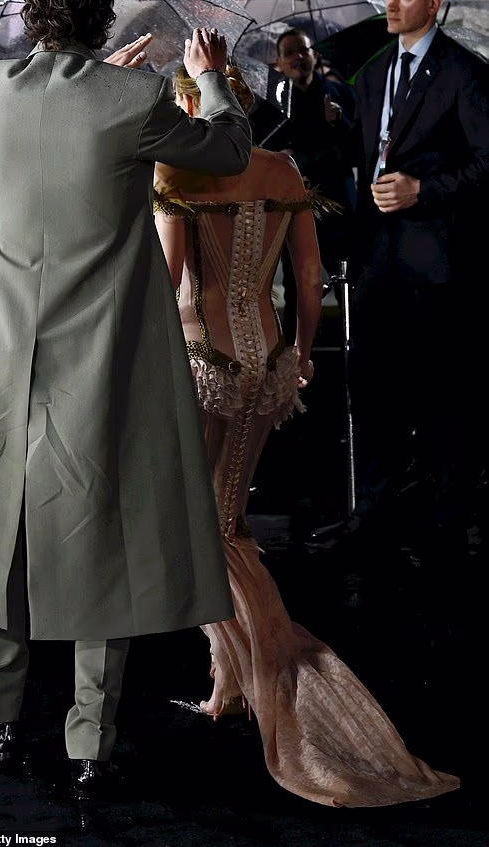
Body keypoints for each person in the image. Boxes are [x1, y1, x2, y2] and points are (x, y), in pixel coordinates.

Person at [0, 0, 252, 803]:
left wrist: (93, 77)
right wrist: (206, 78)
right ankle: (89, 742)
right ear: (103, 15)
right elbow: (228, 151)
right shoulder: (132, 99)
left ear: (28, 11)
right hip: (103, 349)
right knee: (105, 530)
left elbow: (8, 123)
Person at [153, 61, 459, 807]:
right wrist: (296, 353)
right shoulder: (283, 167)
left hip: (199, 359)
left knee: (203, 528)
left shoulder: (178, 172)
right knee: (227, 522)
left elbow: (168, 278)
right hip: (266, 362)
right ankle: (232, 681)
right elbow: (310, 275)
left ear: (193, 106)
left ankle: (273, 681)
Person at [346, 0, 489, 560]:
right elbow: (363, 154)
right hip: (378, 255)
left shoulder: (465, 74)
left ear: (434, 4)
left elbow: (486, 166)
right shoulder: (372, 74)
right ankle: (374, 508)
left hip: (438, 259)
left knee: (443, 389)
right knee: (375, 383)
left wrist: (422, 190)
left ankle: (446, 518)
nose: (391, 5)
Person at [270, 28, 357, 345]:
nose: (297, 57)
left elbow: (360, 151)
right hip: (294, 211)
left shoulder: (341, 95)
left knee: (351, 286)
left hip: (338, 210)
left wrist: (339, 122)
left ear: (313, 55)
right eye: (289, 52)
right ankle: (296, 365)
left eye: (303, 50)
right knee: (296, 288)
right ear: (278, 63)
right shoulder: (275, 106)